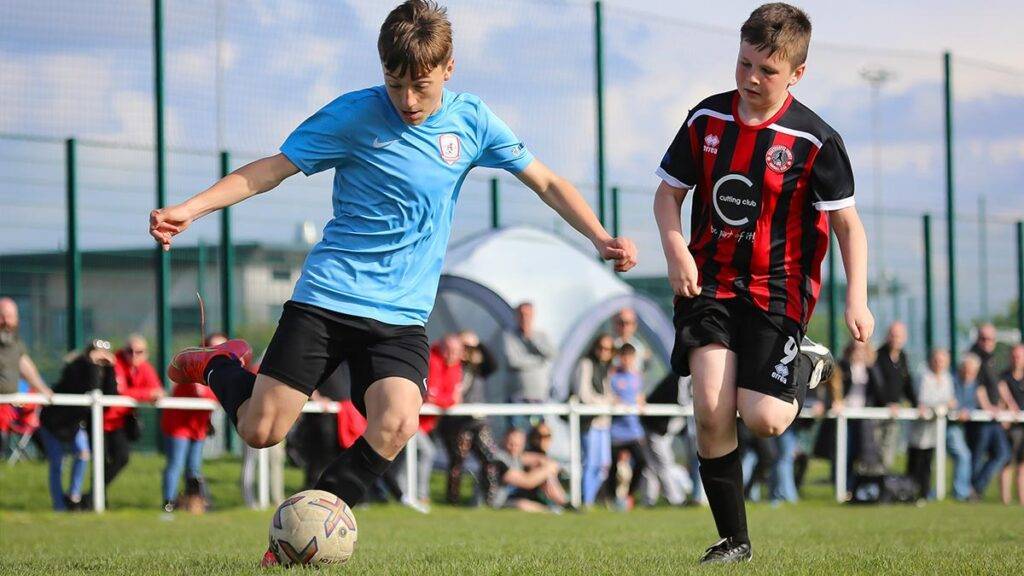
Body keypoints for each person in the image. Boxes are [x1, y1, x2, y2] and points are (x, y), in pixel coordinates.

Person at [149, 0, 635, 564]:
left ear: (448, 67)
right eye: (395, 83)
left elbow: (546, 182)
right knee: (261, 430)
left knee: (399, 420)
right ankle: (219, 364)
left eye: (421, 86)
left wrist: (599, 236)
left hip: (401, 316)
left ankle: (300, 542)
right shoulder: (353, 115)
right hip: (327, 299)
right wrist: (192, 207)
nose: (407, 100)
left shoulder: (472, 121)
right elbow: (271, 170)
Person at [652, 3, 872, 563]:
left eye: (767, 71)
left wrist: (857, 297)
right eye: (744, 63)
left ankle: (808, 360)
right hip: (711, 287)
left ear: (797, 74)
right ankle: (734, 541)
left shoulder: (815, 140)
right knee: (708, 407)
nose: (751, 78)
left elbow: (848, 224)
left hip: (778, 292)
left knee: (766, 420)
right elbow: (668, 194)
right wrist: (676, 248)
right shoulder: (706, 120)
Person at [38, 339, 118, 511]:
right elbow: (87, 386)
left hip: (74, 424)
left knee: (83, 454)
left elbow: (108, 397)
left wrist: (110, 368)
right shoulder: (75, 367)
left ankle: (73, 497)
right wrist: (90, 363)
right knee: (57, 463)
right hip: (54, 422)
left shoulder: (102, 370)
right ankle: (59, 505)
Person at [160, 333, 223, 513]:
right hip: (179, 424)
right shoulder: (194, 366)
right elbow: (202, 393)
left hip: (198, 426)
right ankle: (168, 502)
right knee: (176, 464)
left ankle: (194, 501)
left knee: (194, 466)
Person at [439, 330, 501, 506]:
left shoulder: (477, 367)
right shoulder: (449, 364)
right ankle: (453, 501)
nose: (465, 350)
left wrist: (477, 343)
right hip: (456, 422)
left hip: (477, 420)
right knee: (457, 461)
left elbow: (493, 365)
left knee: (490, 457)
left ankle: (490, 501)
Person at [106, 335, 164, 488]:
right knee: (98, 459)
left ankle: (93, 496)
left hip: (118, 422)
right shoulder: (115, 363)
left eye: (139, 352)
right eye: (129, 351)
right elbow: (120, 392)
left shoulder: (144, 367)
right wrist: (146, 394)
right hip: (102, 421)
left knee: (120, 458)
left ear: (146, 354)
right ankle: (88, 497)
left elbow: (157, 390)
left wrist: (149, 394)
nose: (133, 355)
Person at [0, 297, 54, 438]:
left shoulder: (15, 342)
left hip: (6, 410)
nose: (5, 321)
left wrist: (43, 389)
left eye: (9, 317)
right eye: (1, 316)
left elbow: (26, 367)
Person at [573, 334, 615, 506]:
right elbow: (583, 394)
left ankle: (589, 498)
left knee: (604, 465)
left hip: (603, 423)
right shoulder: (585, 364)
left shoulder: (605, 369)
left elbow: (608, 394)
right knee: (590, 463)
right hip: (589, 422)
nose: (604, 352)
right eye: (602, 348)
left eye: (609, 349)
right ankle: (585, 500)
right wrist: (606, 402)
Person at [907, 348, 954, 502]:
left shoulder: (947, 378)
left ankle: (924, 493)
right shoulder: (924, 376)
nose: (939, 363)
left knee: (928, 462)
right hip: (920, 428)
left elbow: (951, 400)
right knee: (916, 460)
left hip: (935, 428)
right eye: (937, 360)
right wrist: (942, 404)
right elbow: (923, 399)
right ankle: (910, 492)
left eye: (942, 361)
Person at [605, 344, 649, 510]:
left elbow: (640, 396)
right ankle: (610, 499)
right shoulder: (613, 375)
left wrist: (641, 402)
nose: (626, 360)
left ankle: (630, 495)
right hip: (616, 431)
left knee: (642, 461)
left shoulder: (637, 377)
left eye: (630, 357)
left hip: (633, 430)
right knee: (612, 467)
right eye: (624, 356)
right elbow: (608, 395)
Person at [970, 325, 1011, 498]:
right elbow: (977, 387)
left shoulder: (993, 359)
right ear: (978, 339)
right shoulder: (974, 358)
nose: (987, 342)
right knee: (977, 456)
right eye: (984, 338)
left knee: (1003, 453)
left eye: (990, 339)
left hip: (995, 417)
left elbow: (1000, 385)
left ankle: (976, 488)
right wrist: (988, 408)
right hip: (981, 417)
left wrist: (1009, 407)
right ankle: (971, 490)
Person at [503, 302, 557, 429]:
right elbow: (513, 361)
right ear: (516, 316)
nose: (524, 318)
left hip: (539, 396)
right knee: (516, 434)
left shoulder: (541, 335)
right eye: (521, 314)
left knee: (537, 435)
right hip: (517, 396)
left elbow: (551, 354)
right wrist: (539, 360)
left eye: (528, 314)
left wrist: (531, 339)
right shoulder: (509, 335)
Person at [640, 373, 691, 506]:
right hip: (656, 426)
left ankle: (648, 500)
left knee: (652, 465)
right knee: (664, 462)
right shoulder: (683, 375)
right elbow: (683, 401)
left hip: (663, 427)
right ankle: (676, 499)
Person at [874, 321, 916, 471]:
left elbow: (907, 383)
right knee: (875, 447)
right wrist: (887, 402)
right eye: (893, 335)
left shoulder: (903, 357)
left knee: (889, 447)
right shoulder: (878, 356)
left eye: (899, 336)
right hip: (876, 411)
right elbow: (877, 383)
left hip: (894, 412)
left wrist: (917, 403)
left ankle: (884, 480)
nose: (896, 339)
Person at [494, 427, 567, 513]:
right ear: (504, 440)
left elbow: (539, 459)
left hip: (510, 497)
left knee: (545, 471)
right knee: (523, 505)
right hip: (496, 502)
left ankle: (565, 504)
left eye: (517, 445)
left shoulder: (516, 456)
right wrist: (549, 469)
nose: (513, 447)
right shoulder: (499, 460)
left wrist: (550, 468)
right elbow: (527, 481)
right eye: (511, 444)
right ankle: (552, 510)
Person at [948, 354, 979, 501]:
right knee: (964, 455)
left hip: (961, 428)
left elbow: (972, 405)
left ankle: (964, 489)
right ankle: (961, 493)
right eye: (966, 370)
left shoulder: (974, 384)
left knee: (966, 455)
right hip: (949, 426)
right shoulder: (952, 381)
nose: (968, 374)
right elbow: (951, 402)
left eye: (972, 371)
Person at [997, 343, 1024, 506]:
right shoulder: (1003, 377)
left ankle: (1022, 501)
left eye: (1019, 356)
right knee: (1007, 462)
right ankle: (1005, 500)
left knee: (1022, 465)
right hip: (1010, 428)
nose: (1017, 359)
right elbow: (1000, 401)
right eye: (1014, 356)